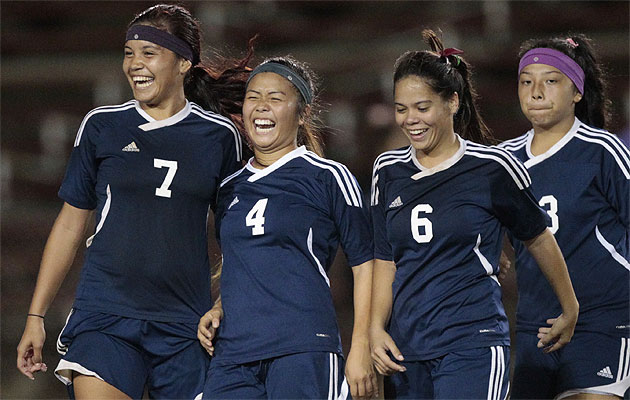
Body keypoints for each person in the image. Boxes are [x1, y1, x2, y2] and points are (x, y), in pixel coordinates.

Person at [16, 4, 253, 399]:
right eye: (129, 52)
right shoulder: (102, 126)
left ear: (182, 63)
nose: (134, 64)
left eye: (149, 53)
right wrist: (36, 315)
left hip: (185, 324)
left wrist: (225, 304)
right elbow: (71, 224)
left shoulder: (219, 136)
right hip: (105, 315)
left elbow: (238, 235)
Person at [369, 30, 580, 399]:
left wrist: (570, 306)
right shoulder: (386, 170)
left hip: (473, 341)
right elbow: (385, 259)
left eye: (422, 107)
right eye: (402, 109)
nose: (410, 120)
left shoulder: (492, 167)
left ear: (452, 102)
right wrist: (374, 328)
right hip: (407, 350)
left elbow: (538, 237)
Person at [197, 56, 376, 399]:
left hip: (302, 348)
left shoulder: (328, 177)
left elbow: (366, 264)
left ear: (302, 112)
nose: (261, 107)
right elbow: (242, 261)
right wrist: (220, 306)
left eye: (276, 98)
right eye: (254, 97)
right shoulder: (229, 187)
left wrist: (360, 346)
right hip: (234, 355)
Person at [499, 34, 630, 399]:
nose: (536, 92)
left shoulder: (602, 151)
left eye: (551, 81)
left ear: (576, 92)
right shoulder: (504, 161)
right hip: (534, 328)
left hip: (601, 321)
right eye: (527, 82)